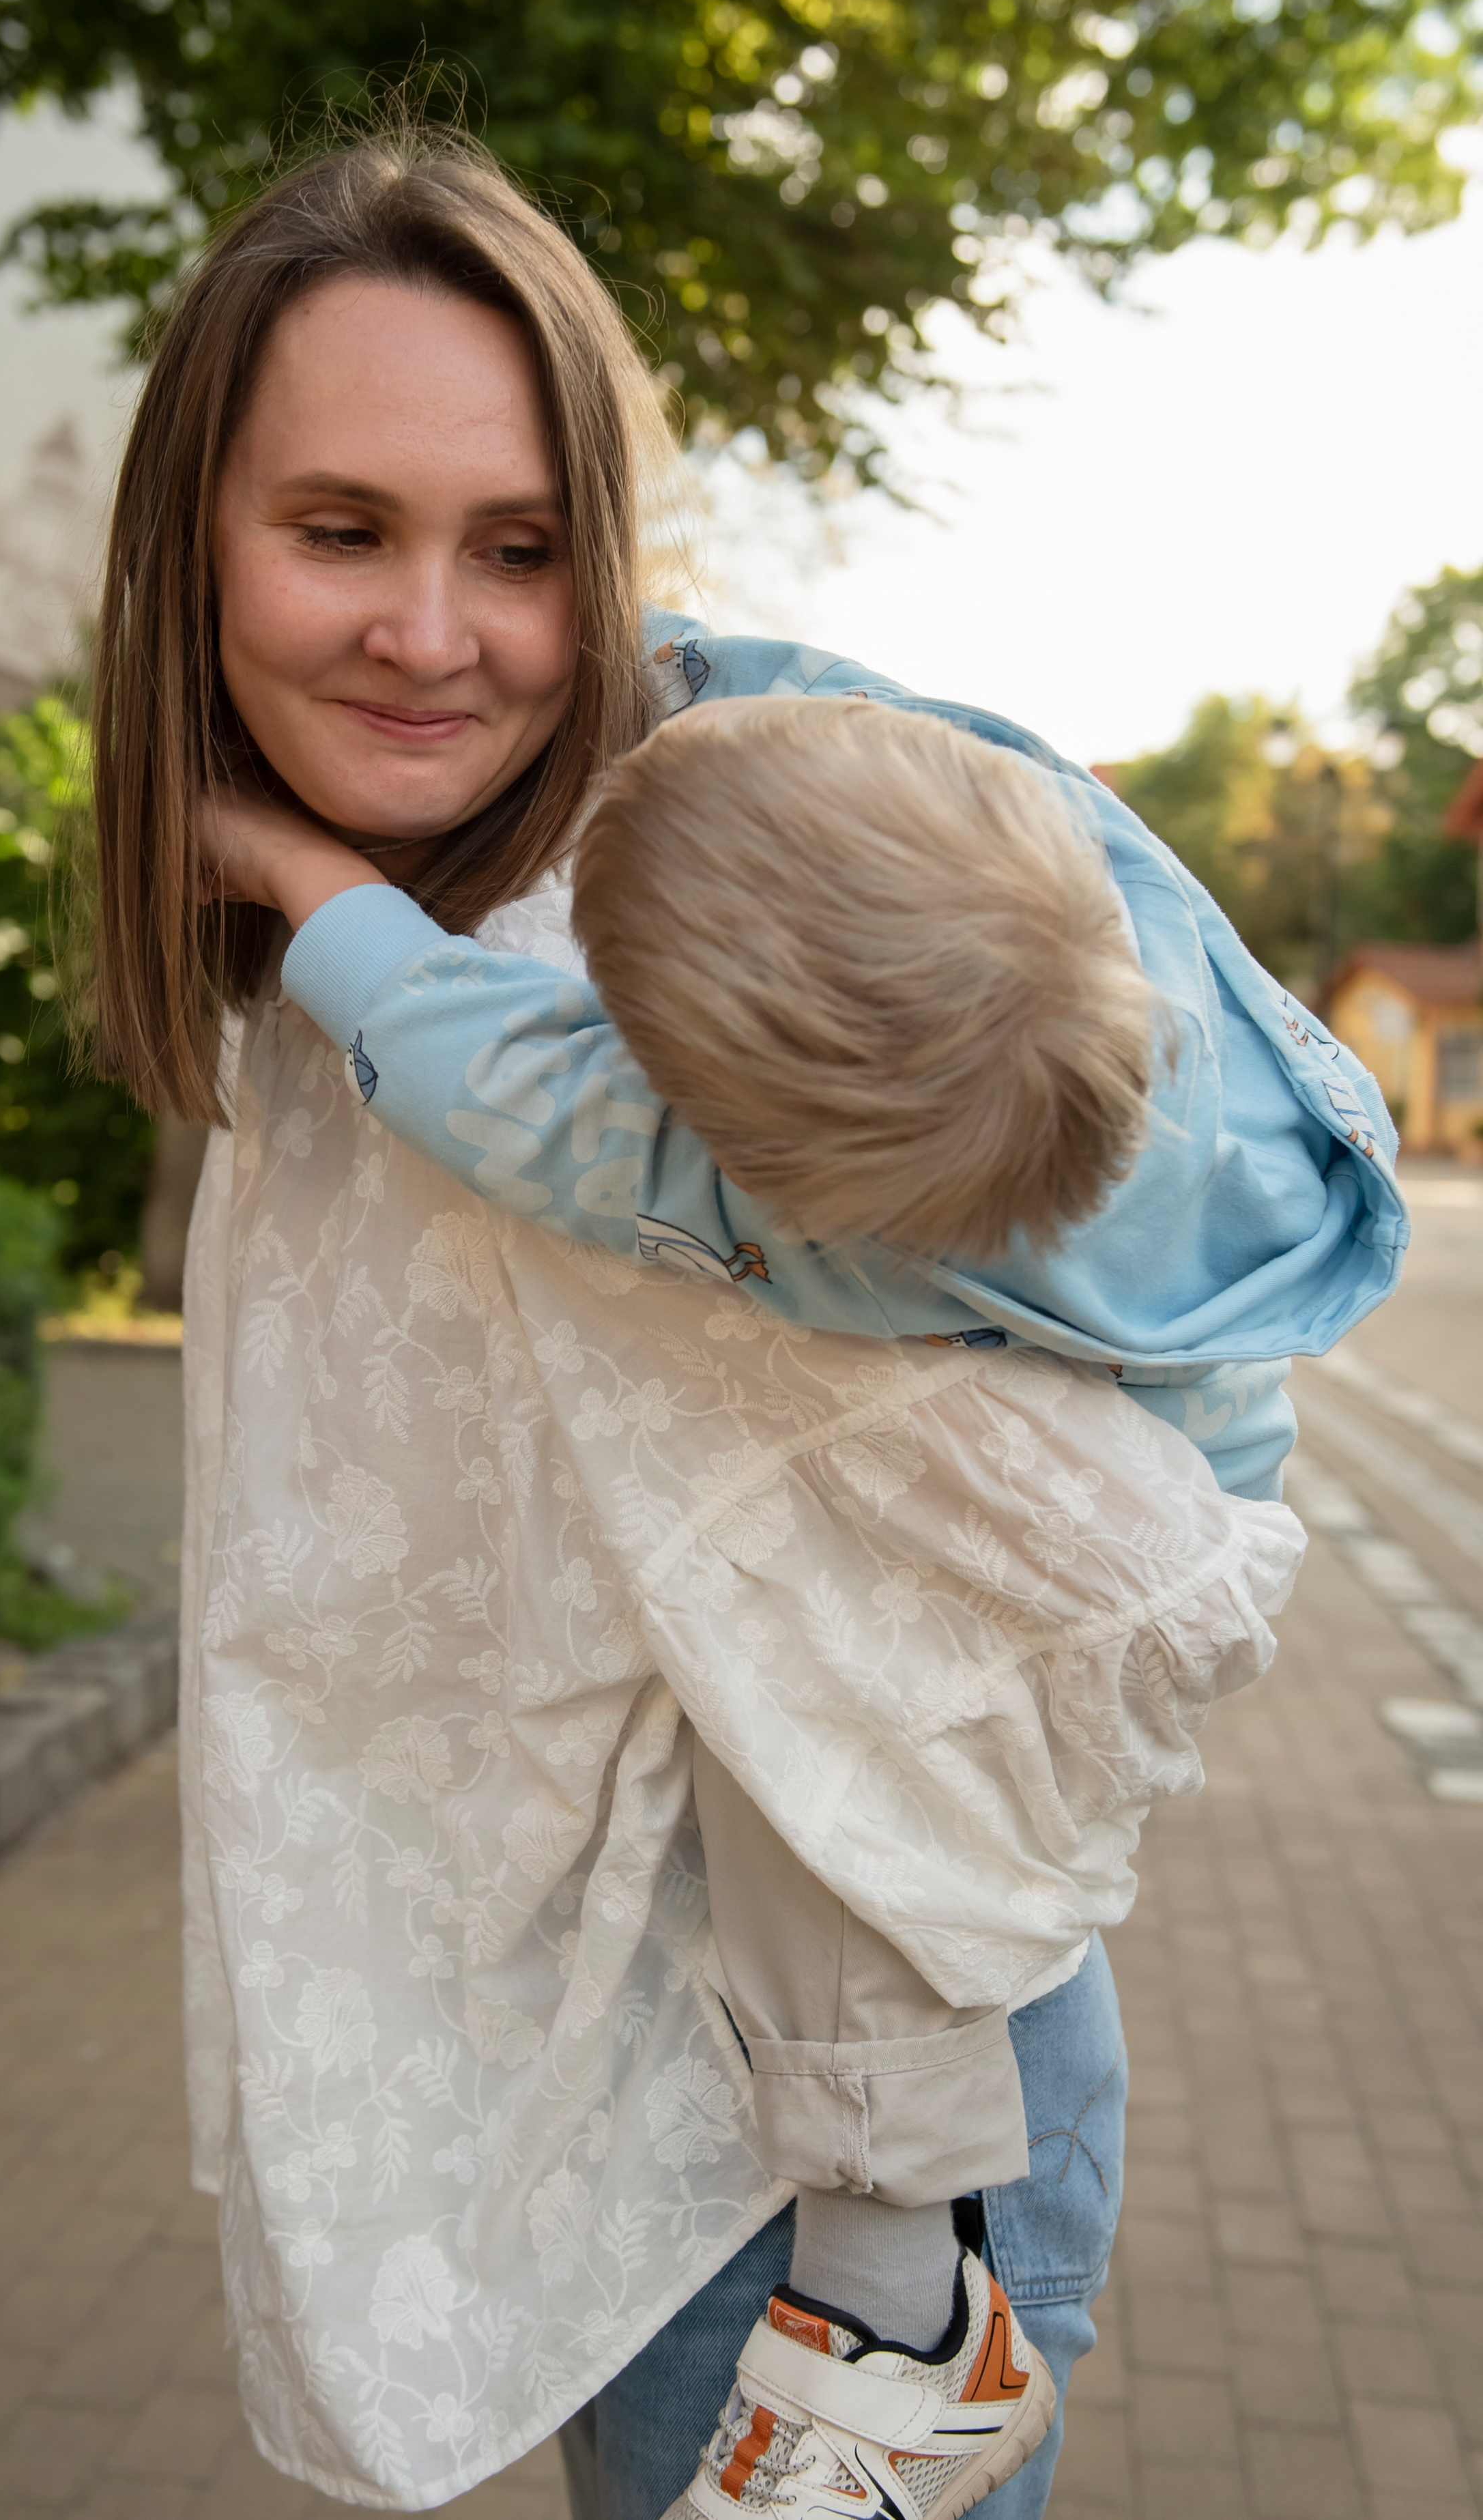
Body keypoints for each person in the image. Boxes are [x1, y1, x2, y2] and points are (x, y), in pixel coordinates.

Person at [84, 121, 1402, 2520]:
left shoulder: (679, 941)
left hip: (793, 2203)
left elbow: (608, 1162)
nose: (427, 632)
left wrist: (289, 871)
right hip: (663, 2127)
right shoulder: (616, 871)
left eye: (519, 546)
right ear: (189, 540)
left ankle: (913, 2279)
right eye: (339, 527)